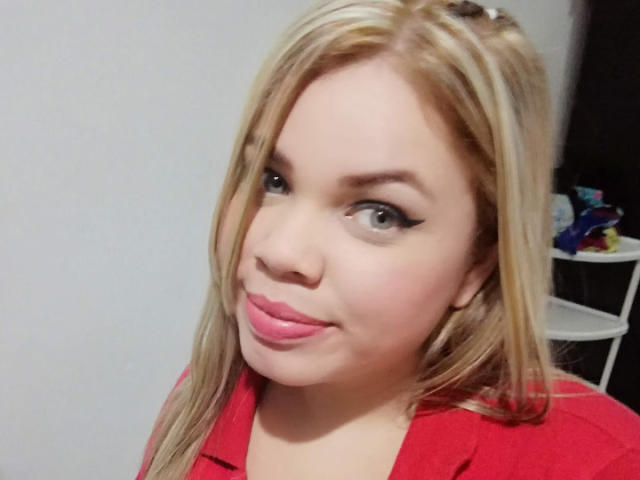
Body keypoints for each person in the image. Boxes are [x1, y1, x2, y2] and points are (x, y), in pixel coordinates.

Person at [136, 1, 640, 478]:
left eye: (380, 214)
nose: (279, 251)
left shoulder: (603, 464)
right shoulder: (206, 400)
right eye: (273, 180)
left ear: (479, 261)